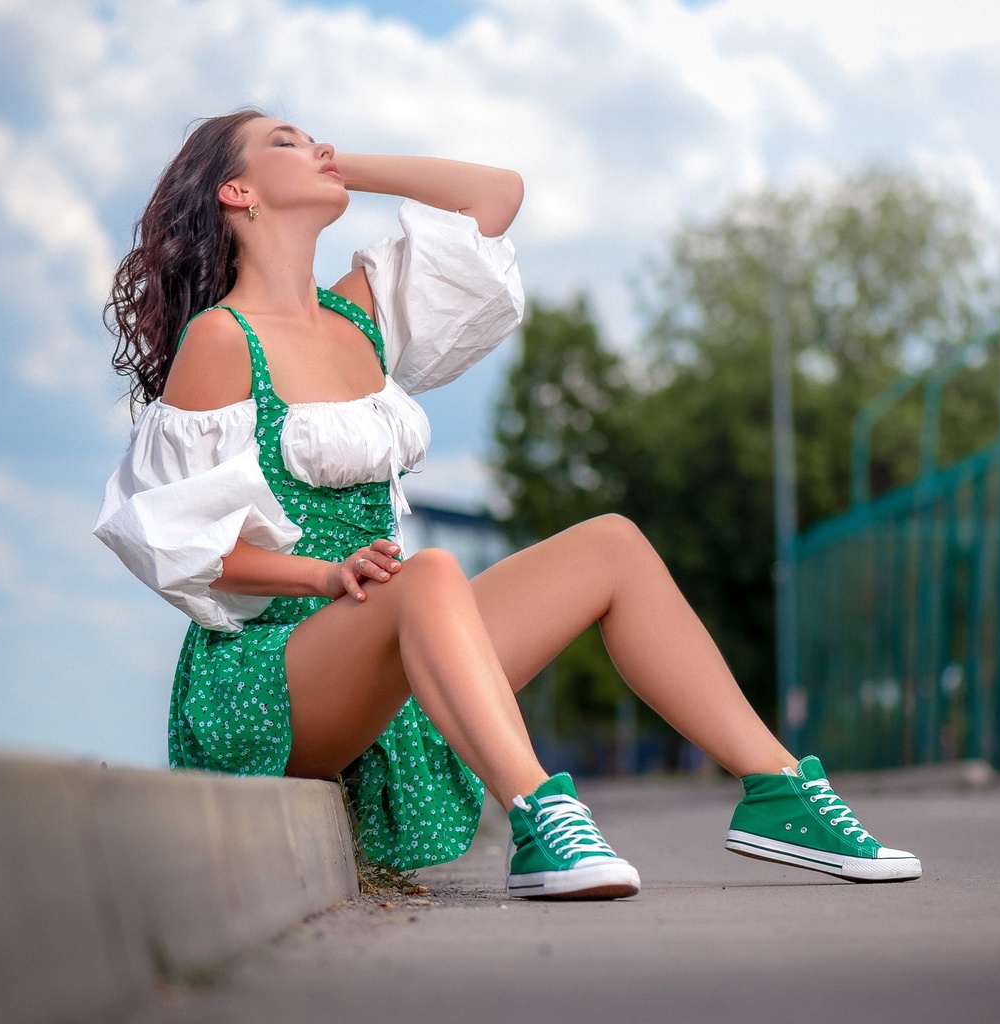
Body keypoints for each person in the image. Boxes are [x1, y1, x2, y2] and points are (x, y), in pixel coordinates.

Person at [96, 109, 921, 900]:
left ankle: (776, 790)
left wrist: (339, 165)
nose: (314, 147)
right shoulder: (221, 339)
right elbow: (188, 545)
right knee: (424, 576)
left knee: (613, 545)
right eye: (286, 141)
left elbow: (494, 196)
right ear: (237, 192)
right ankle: (539, 816)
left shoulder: (361, 311)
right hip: (273, 676)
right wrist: (321, 576)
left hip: (389, 632)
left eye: (317, 139)